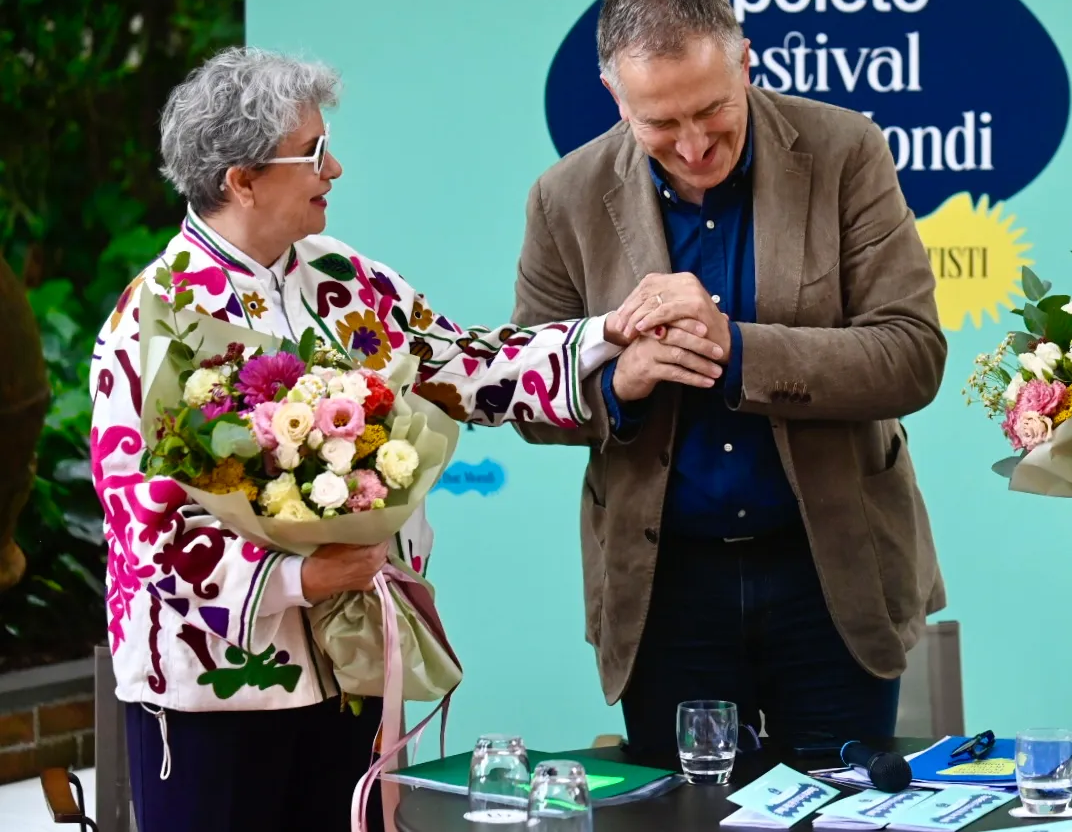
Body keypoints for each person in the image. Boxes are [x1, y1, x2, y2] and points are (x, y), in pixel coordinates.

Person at [88, 47, 668, 832]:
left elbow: (465, 367)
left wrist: (604, 333)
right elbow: (145, 524)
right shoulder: (151, 320)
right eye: (314, 153)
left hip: (352, 667)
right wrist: (298, 577)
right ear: (242, 179)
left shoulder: (346, 277)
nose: (335, 169)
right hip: (210, 691)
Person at [510, 0, 948, 754]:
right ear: (615, 97)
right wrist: (619, 386)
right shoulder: (564, 196)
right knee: (682, 809)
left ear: (747, 62)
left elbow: (911, 354)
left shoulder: (845, 150)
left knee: (845, 805)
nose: (693, 144)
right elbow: (527, 393)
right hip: (664, 587)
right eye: (660, 122)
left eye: (713, 109)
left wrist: (736, 347)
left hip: (832, 571)